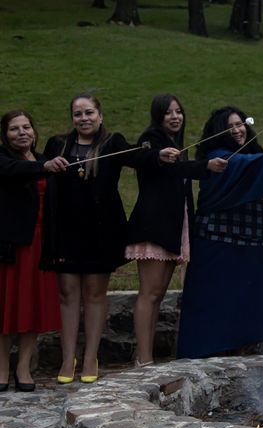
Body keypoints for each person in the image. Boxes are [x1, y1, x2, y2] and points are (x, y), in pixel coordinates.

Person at [43, 93, 177, 384]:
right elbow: (39, 169)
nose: (84, 118)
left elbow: (135, 155)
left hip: (100, 231)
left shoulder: (111, 143)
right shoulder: (58, 144)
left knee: (94, 293)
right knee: (67, 293)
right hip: (66, 231)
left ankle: (91, 356)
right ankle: (69, 358)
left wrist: (158, 155)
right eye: (78, 114)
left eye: (89, 112)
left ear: (100, 116)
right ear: (72, 119)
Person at [176, 106, 263, 358]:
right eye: (231, 127)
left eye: (240, 124)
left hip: (252, 245)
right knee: (216, 302)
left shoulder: (255, 154)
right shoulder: (217, 158)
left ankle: (243, 349)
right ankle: (207, 353)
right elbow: (237, 165)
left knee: (247, 303)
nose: (238, 130)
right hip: (218, 246)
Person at [126, 94, 213, 368]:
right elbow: (148, 158)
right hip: (155, 225)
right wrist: (206, 167)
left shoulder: (176, 144)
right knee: (149, 293)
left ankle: (145, 355)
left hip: (174, 224)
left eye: (178, 111)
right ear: (158, 117)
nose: (175, 117)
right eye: (168, 113)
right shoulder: (151, 139)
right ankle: (143, 358)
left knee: (158, 295)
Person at [0, 110, 68, 392]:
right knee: (7, 308)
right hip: (12, 244)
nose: (22, 132)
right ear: (5, 135)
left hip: (41, 244)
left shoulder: (42, 160)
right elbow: (12, 172)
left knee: (33, 308)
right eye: (15, 129)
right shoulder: (5, 160)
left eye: (27, 126)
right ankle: (1, 367)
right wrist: (44, 167)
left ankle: (23, 367)